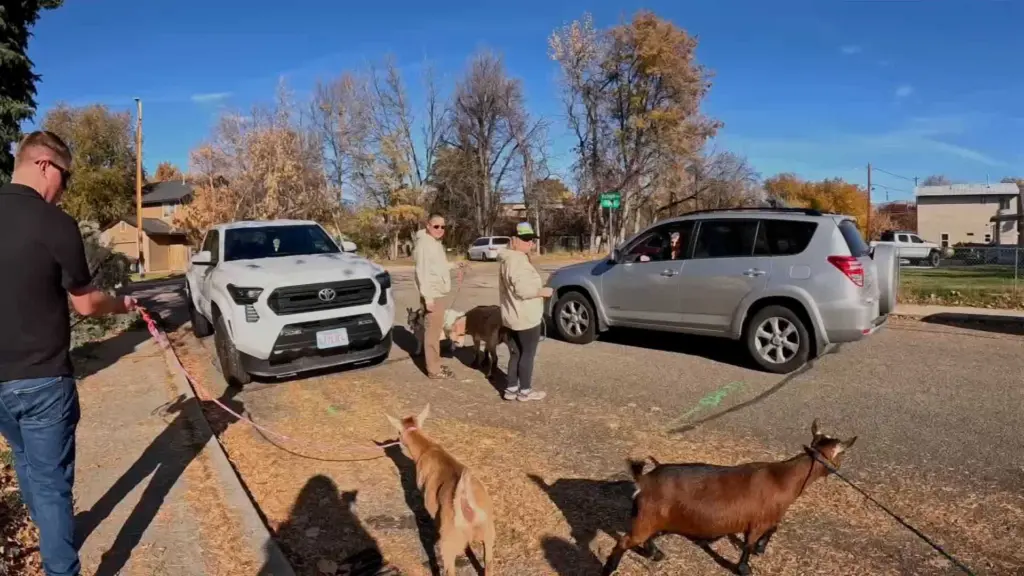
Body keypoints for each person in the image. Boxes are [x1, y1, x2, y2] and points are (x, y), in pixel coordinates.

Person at [0, 131, 137, 576]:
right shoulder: (54, 223)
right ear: (44, 165)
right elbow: (85, 303)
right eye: (66, 176)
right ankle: (61, 563)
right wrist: (121, 303)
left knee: (26, 463)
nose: (64, 188)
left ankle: (49, 533)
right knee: (53, 483)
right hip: (43, 381)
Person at [497, 222, 552, 402]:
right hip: (526, 317)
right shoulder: (517, 260)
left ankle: (511, 389)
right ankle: (525, 391)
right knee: (527, 354)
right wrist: (541, 292)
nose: (530, 243)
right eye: (526, 239)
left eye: (531, 239)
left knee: (516, 353)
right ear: (514, 240)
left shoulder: (508, 258)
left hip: (511, 316)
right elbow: (522, 290)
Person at [413, 212, 466, 380]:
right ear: (428, 226)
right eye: (436, 226)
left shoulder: (434, 243)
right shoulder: (424, 245)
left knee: (435, 332)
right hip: (432, 294)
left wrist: (454, 265)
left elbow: (438, 266)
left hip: (438, 293)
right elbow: (421, 272)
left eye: (443, 227)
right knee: (433, 333)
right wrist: (427, 298)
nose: (440, 229)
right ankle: (434, 370)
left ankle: (434, 364)